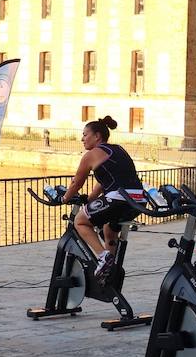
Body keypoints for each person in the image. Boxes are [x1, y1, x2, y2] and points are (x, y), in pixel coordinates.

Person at [60, 116, 144, 273]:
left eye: (85, 135)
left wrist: (65, 198)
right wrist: (90, 199)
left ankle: (103, 256)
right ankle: (109, 268)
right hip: (139, 199)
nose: (82, 139)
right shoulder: (118, 149)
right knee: (109, 229)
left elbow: (77, 183)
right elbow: (104, 182)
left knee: (80, 221)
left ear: (97, 136)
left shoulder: (91, 155)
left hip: (120, 199)